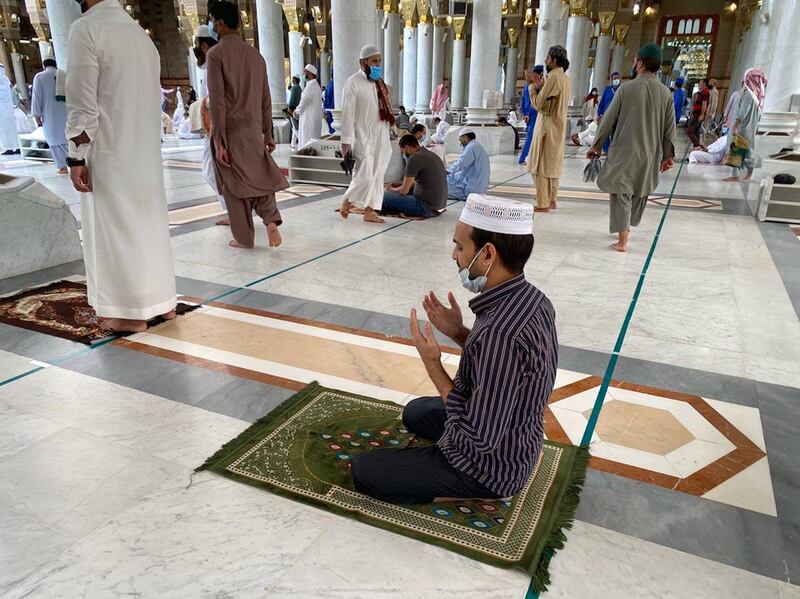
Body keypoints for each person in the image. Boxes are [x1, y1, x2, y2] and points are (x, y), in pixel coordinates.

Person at [351, 194, 557, 505]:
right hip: (517, 433)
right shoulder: (533, 299)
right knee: (416, 412)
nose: (454, 255)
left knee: (364, 472)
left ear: (487, 254)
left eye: (460, 247)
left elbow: (479, 435)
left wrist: (432, 364)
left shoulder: (499, 332)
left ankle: (476, 491)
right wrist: (459, 332)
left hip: (491, 466)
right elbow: (502, 366)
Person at [66, 0, 176, 333]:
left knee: (116, 231)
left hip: (111, 151)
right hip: (145, 153)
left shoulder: (86, 28)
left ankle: (130, 313)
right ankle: (163, 303)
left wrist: (75, 154)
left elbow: (82, 103)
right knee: (148, 226)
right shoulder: (140, 36)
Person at [206, 1, 288, 248]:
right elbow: (266, 97)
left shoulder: (216, 55)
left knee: (234, 186)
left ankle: (243, 238)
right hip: (253, 130)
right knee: (260, 177)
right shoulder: (256, 56)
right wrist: (268, 133)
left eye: (211, 20)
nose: (211, 25)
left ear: (220, 23)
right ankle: (271, 220)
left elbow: (217, 102)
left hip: (231, 131)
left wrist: (219, 140)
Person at [587, 43, 675, 253]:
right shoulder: (666, 94)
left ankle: (622, 239)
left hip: (624, 151)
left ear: (641, 63)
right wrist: (668, 156)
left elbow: (608, 120)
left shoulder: (626, 89)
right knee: (639, 190)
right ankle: (627, 228)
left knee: (621, 193)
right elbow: (669, 129)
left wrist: (597, 145)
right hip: (650, 153)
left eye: (636, 60)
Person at [339, 44, 395, 224]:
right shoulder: (352, 83)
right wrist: (346, 143)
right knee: (364, 174)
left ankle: (370, 211)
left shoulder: (380, 83)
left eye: (380, 61)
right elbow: (347, 115)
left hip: (381, 135)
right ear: (362, 62)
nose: (378, 65)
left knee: (378, 175)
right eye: (374, 61)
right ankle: (347, 200)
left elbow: (386, 109)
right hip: (362, 137)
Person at [526, 45, 570, 213]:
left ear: (554, 60)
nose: (545, 61)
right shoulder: (565, 79)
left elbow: (539, 104)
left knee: (540, 165)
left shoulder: (553, 78)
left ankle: (543, 203)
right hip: (558, 127)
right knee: (552, 164)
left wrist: (532, 87)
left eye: (548, 58)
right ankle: (552, 200)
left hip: (547, 126)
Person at [192, 24, 226, 218]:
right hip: (211, 127)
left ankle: (233, 210)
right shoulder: (208, 66)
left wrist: (202, 105)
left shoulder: (214, 64)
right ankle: (231, 210)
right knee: (212, 171)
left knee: (212, 171)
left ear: (204, 46)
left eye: (196, 43)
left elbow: (218, 97)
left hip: (217, 127)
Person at [381, 134, 447, 219]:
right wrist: (397, 187)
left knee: (384, 196)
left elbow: (404, 191)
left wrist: (392, 190)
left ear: (407, 148)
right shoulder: (430, 154)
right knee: (395, 192)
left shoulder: (414, 158)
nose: (403, 154)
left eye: (403, 151)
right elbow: (416, 183)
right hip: (440, 207)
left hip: (427, 208)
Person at [722, 68, 768, 182]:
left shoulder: (748, 94)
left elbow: (742, 112)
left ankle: (735, 174)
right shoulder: (758, 97)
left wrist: (736, 126)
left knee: (736, 148)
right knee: (748, 149)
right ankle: (748, 174)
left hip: (742, 127)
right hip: (751, 127)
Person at [31, 56, 68, 173]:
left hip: (50, 114)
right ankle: (72, 163)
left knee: (54, 140)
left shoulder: (40, 77)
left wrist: (36, 116)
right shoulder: (64, 75)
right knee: (67, 138)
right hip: (66, 113)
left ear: (44, 66)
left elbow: (37, 98)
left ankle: (62, 167)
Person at [446, 128, 490, 200]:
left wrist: (448, 171)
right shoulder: (476, 146)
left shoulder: (471, 147)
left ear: (465, 137)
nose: (460, 143)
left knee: (441, 187)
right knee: (449, 178)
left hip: (472, 189)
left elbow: (461, 163)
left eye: (461, 140)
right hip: (478, 185)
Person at [518, 65, 543, 165]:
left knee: (532, 137)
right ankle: (523, 158)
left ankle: (529, 158)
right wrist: (527, 114)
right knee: (531, 137)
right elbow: (532, 103)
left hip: (530, 114)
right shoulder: (532, 86)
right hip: (533, 115)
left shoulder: (527, 86)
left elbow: (523, 102)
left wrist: (524, 113)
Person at [294, 63, 323, 149]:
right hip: (313, 118)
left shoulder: (311, 86)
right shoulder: (315, 85)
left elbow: (304, 101)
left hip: (309, 119)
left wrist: (296, 111)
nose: (303, 74)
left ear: (310, 73)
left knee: (307, 141)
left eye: (305, 72)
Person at [597, 71, 621, 154]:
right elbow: (602, 102)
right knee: (605, 131)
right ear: (611, 80)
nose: (616, 80)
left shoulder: (621, 89)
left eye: (617, 78)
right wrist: (599, 114)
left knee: (616, 133)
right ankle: (606, 149)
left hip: (618, 115)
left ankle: (614, 149)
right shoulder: (608, 90)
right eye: (614, 79)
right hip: (606, 114)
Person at [0, 64, 20, 154]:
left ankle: (8, 147)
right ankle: (15, 146)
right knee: (10, 129)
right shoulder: (5, 80)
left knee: (4, 129)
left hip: (3, 109)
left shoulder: (4, 80)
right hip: (7, 109)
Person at [687, 78, 709, 150]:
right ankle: (696, 150)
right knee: (696, 132)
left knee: (690, 131)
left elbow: (704, 104)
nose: (699, 84)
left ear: (704, 84)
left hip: (698, 115)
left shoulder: (705, 92)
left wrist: (702, 115)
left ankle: (697, 146)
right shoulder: (701, 92)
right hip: (696, 114)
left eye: (700, 83)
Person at [287, 75, 302, 148]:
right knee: (295, 126)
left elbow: (291, 101)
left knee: (295, 128)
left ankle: (302, 142)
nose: (292, 81)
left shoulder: (294, 88)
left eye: (293, 79)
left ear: (295, 80)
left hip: (293, 109)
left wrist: (289, 109)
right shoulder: (299, 88)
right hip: (298, 109)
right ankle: (293, 143)